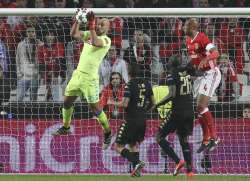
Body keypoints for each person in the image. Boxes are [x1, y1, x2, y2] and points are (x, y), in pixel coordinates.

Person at [53, 10, 112, 150]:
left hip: (90, 79)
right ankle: (66, 127)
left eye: (102, 25)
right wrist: (78, 20)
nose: (99, 26)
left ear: (108, 28)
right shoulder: (89, 34)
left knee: (96, 109)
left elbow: (96, 42)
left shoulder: (106, 40)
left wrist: (91, 25)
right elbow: (73, 34)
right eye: (98, 23)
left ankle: (108, 133)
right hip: (77, 75)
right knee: (67, 102)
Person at [152, 55, 194, 178]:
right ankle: (190, 171)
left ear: (170, 63)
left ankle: (178, 161)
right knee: (183, 139)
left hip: (177, 112)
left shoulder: (172, 75)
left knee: (159, 136)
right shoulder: (185, 74)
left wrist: (158, 104)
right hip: (189, 111)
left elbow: (172, 94)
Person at [184, 18, 221, 153]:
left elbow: (216, 53)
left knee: (201, 106)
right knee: (199, 110)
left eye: (186, 25)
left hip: (211, 73)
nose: (183, 27)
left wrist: (206, 58)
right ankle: (206, 140)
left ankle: (214, 137)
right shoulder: (187, 40)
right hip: (200, 76)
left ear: (193, 27)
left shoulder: (202, 37)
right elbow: (193, 58)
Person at [115, 64, 155, 177]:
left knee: (118, 146)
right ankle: (136, 172)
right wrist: (143, 111)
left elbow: (124, 104)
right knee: (133, 144)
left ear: (128, 72)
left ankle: (137, 162)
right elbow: (153, 103)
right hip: (142, 120)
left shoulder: (130, 85)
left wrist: (111, 102)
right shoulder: (147, 83)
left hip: (131, 119)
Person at [16, 27, 40, 101]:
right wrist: (19, 73)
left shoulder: (39, 44)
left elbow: (41, 60)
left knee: (33, 99)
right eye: (29, 32)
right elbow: (17, 60)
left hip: (34, 75)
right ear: (26, 33)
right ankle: (18, 112)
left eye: (33, 31)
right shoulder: (20, 45)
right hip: (23, 76)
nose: (31, 33)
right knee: (20, 97)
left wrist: (39, 74)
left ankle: (33, 112)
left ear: (35, 33)